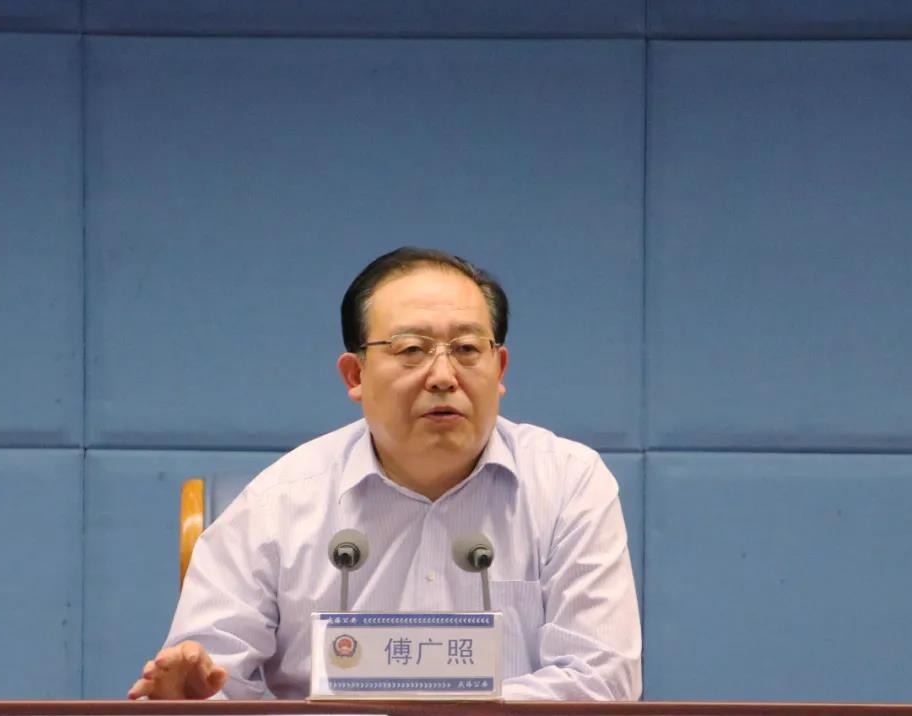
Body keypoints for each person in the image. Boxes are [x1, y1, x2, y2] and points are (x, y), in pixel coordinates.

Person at [128, 247, 642, 701]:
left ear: (499, 368)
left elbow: (602, 679)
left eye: (467, 349)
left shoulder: (568, 485)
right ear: (355, 375)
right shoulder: (276, 504)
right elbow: (212, 681)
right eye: (411, 350)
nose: (443, 376)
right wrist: (187, 700)